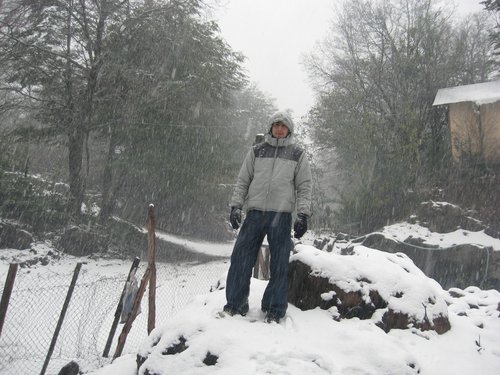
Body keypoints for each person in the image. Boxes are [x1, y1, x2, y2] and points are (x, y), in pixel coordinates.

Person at [223, 111, 312, 323]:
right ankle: (235, 304)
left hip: (281, 216)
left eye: (283, 126)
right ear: (271, 127)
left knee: (280, 264)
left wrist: (303, 214)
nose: (279, 129)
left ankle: (274, 308)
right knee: (240, 259)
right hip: (255, 213)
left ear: (289, 129)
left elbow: (304, 186)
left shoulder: (297, 153)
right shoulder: (257, 151)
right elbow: (243, 180)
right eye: (276, 125)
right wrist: (236, 206)